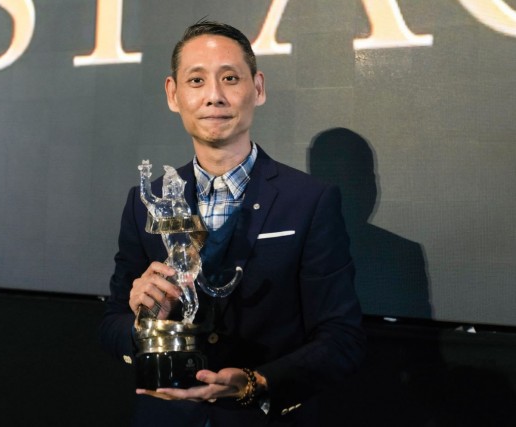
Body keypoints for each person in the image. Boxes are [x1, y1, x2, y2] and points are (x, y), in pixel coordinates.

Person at [100, 20, 366, 426]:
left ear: (257, 88)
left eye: (230, 78)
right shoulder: (145, 202)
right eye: (196, 80)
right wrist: (144, 324)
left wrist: (257, 383)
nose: (214, 96)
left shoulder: (309, 201)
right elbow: (111, 322)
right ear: (173, 94)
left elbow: (341, 337)